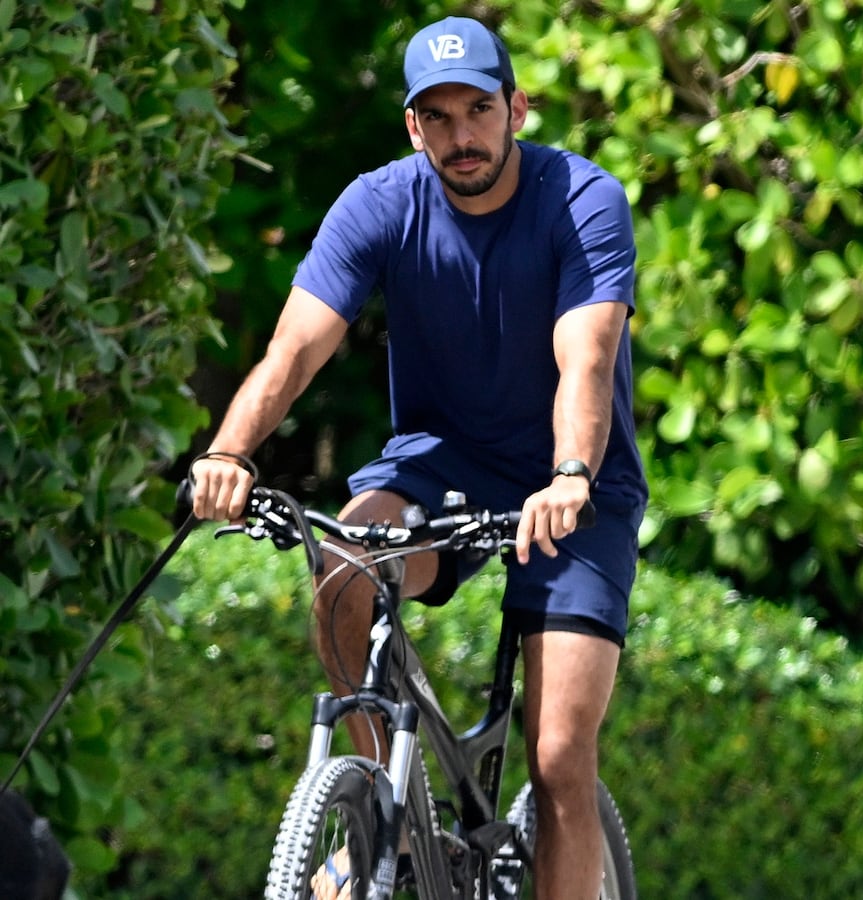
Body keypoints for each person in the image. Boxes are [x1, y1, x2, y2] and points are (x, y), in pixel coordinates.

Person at [189, 16, 645, 900]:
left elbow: (584, 360)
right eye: (436, 117)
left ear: (516, 107)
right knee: (344, 562)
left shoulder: (582, 199)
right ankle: (383, 825)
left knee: (557, 761)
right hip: (440, 464)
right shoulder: (380, 204)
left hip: (575, 487)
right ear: (411, 127)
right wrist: (228, 452)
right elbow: (292, 353)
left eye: (477, 108)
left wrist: (570, 476)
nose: (461, 134)